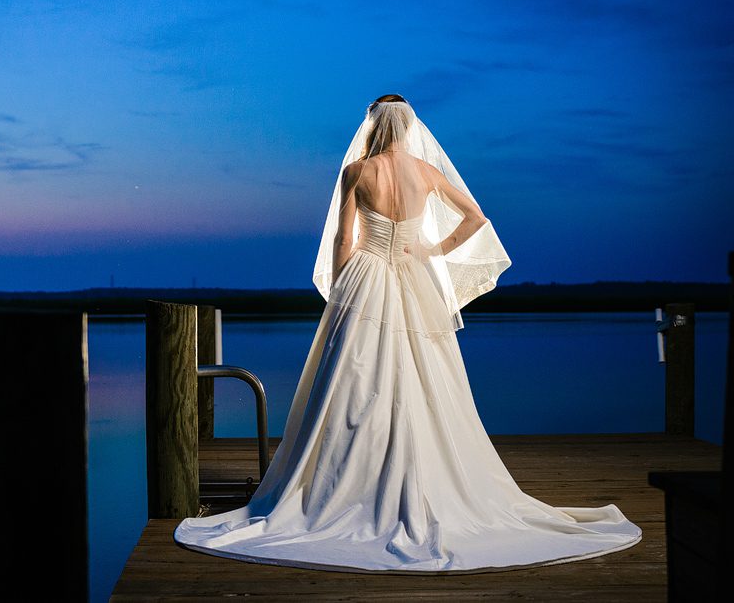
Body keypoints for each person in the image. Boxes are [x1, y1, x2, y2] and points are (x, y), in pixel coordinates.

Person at [173, 95, 642, 573]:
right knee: (426, 376)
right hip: (414, 275)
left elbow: (342, 239)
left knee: (353, 377)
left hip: (367, 274)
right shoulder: (427, 172)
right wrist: (434, 249)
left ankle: (344, 482)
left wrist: (339, 292)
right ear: (409, 127)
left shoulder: (358, 171)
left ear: (374, 124)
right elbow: (477, 219)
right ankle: (427, 476)